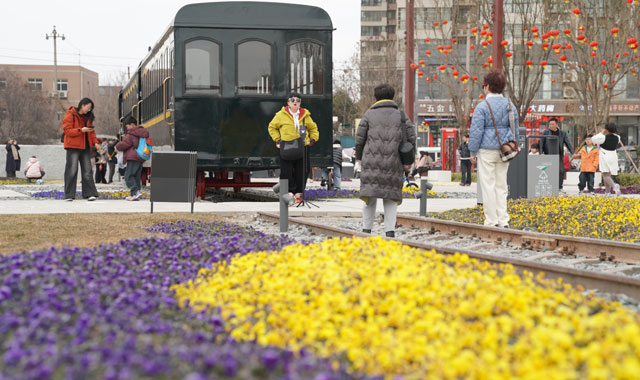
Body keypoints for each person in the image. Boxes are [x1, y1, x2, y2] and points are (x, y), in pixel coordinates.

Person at [355, 83, 416, 238]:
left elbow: (359, 140)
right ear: (393, 97)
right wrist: (409, 161)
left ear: (375, 98)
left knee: (370, 196)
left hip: (371, 162)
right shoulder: (402, 116)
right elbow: (411, 139)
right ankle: (390, 232)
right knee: (390, 197)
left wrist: (358, 159)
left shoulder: (368, 115)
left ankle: (366, 230)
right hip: (394, 162)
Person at [468, 71, 519, 228]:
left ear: (487, 86)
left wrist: (472, 151)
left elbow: (476, 131)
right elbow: (515, 129)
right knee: (501, 185)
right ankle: (503, 219)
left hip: (486, 150)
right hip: (504, 150)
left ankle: (491, 221)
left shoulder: (482, 107)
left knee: (488, 186)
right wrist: (513, 145)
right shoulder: (510, 105)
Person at [268, 91, 319, 205]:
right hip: (286, 146)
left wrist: (313, 139)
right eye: (292, 100)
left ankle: (299, 193)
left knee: (303, 171)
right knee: (286, 171)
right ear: (288, 102)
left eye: (297, 100)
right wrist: (277, 139)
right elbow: (272, 127)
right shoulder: (280, 115)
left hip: (303, 146)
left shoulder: (306, 115)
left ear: (300, 103)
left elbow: (313, 128)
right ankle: (290, 191)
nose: (295, 102)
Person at [62, 98, 101, 201]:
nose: (89, 110)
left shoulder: (88, 117)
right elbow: (67, 131)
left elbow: (91, 132)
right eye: (88, 107)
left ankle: (89, 194)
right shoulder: (70, 115)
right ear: (82, 105)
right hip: (73, 147)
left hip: (85, 147)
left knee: (87, 170)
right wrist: (81, 130)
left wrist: (96, 143)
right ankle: (69, 195)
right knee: (72, 170)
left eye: (90, 108)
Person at [115, 116, 150, 201]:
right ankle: (134, 195)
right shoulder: (141, 132)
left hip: (133, 156)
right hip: (140, 156)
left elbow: (126, 143)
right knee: (136, 176)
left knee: (128, 176)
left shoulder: (131, 133)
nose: (127, 129)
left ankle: (135, 192)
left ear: (131, 125)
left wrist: (117, 147)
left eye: (127, 126)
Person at [541, 117, 574, 191]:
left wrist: (572, 152)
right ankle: (550, 186)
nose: (551, 126)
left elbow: (568, 143)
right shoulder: (546, 132)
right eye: (550, 124)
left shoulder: (562, 133)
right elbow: (541, 143)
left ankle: (559, 187)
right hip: (548, 154)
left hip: (558, 155)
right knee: (548, 171)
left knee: (561, 171)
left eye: (552, 124)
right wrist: (541, 152)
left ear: (556, 124)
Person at [592, 123, 622, 196]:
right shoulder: (618, 137)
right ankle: (607, 192)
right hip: (613, 156)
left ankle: (614, 186)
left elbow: (593, 139)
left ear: (606, 129)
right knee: (607, 175)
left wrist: (601, 132)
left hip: (605, 156)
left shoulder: (603, 137)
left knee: (605, 175)